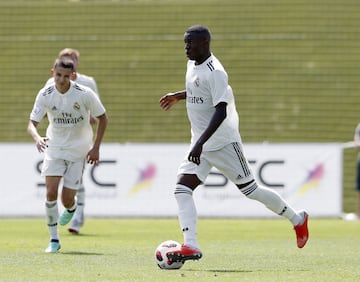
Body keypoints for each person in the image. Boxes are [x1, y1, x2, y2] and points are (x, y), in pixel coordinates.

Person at [159, 25, 309, 263]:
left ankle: (297, 218)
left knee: (251, 190)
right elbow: (198, 88)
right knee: (181, 189)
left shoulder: (216, 71)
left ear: (205, 43)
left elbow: (221, 110)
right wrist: (179, 95)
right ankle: (191, 246)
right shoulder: (192, 64)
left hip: (223, 143)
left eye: (191, 43)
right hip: (200, 143)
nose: (186, 47)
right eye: (185, 43)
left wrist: (200, 143)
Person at [27, 57, 108, 253]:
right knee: (50, 193)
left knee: (66, 200)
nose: (61, 80)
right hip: (54, 148)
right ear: (52, 73)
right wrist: (37, 138)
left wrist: (95, 147)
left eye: (65, 76)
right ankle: (54, 239)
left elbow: (103, 118)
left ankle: (71, 209)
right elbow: (32, 123)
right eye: (58, 75)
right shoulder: (45, 94)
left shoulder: (84, 93)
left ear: (72, 76)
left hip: (78, 150)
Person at [45, 48, 99, 235]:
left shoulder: (87, 83)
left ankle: (78, 215)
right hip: (59, 139)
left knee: (78, 179)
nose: (70, 61)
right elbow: (47, 105)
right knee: (57, 185)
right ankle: (72, 211)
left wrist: (88, 116)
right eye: (66, 59)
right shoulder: (51, 83)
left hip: (80, 138)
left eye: (73, 59)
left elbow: (97, 111)